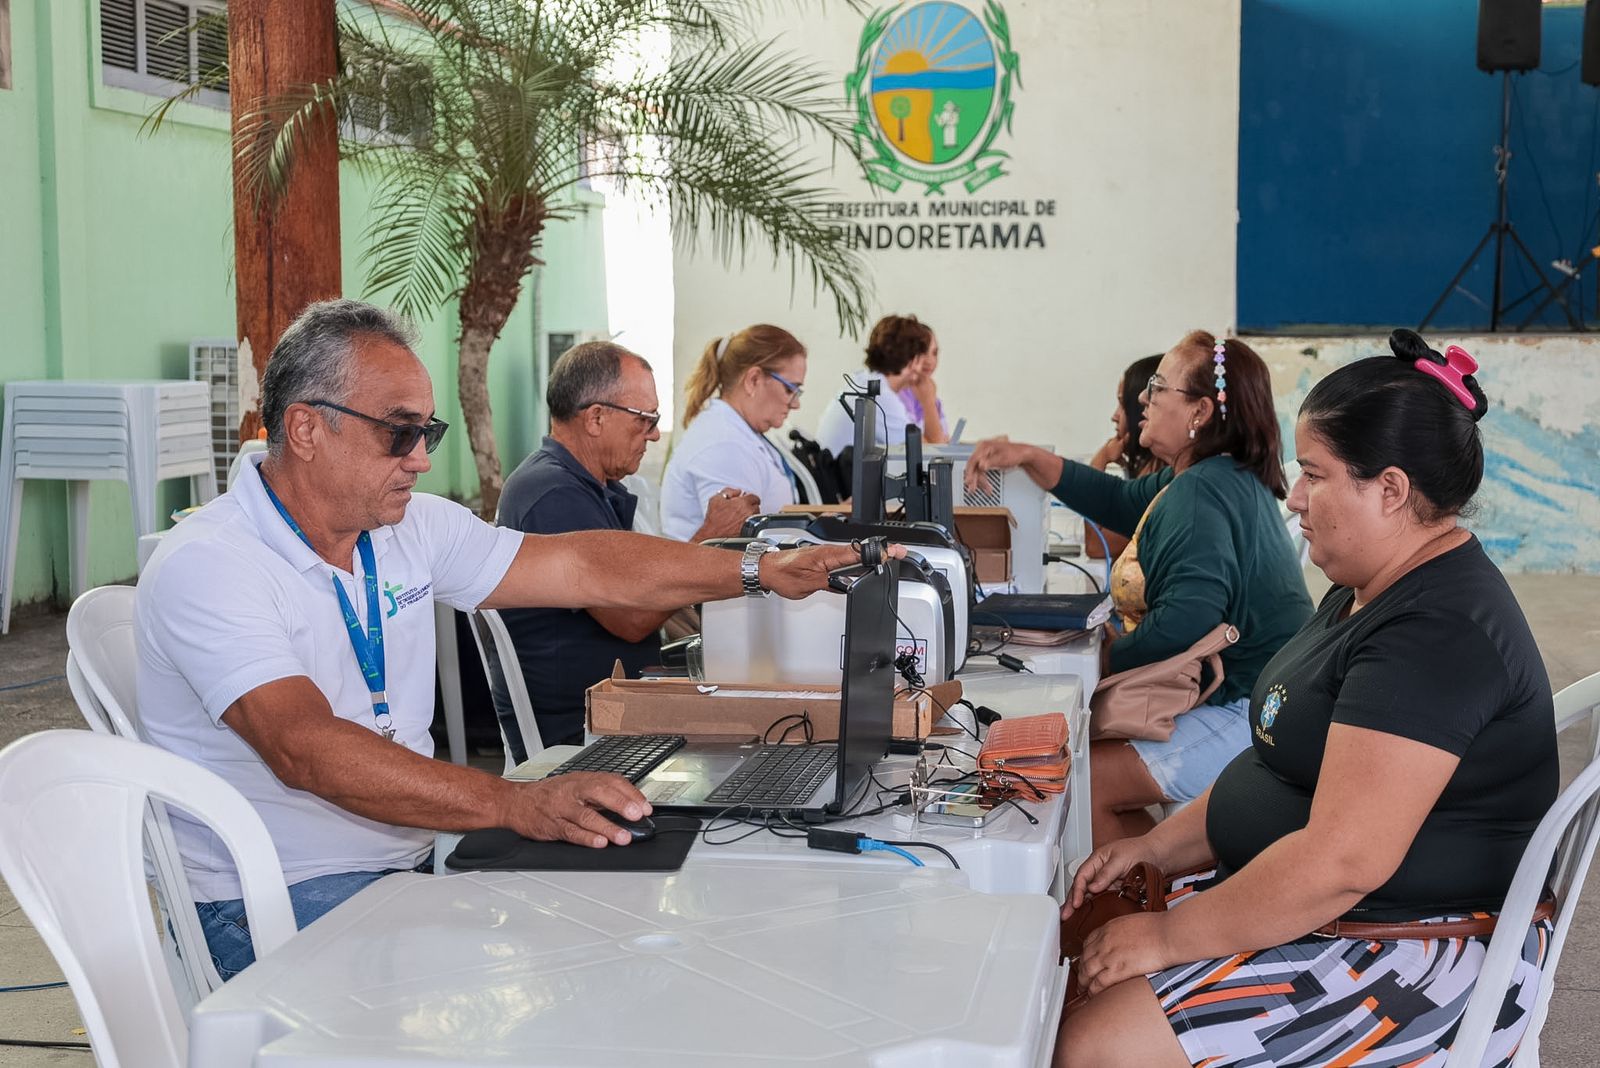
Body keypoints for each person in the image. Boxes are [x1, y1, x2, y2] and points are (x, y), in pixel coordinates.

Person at [135, 300, 874, 978]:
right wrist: (515, 803)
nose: (421, 458)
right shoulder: (212, 563)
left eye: (427, 433)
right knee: (559, 983)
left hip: (410, 858)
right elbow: (305, 748)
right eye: (398, 432)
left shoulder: (408, 527)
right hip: (272, 894)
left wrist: (759, 569)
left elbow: (586, 565)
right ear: (305, 429)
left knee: (639, 941)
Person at [1055, 330, 1557, 1068]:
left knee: (1094, 1043)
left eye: (1315, 475)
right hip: (1343, 912)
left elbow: (1343, 862)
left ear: (1390, 490)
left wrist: (1165, 937)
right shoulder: (1372, 587)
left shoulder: (1436, 632)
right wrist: (1154, 848)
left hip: (1420, 952)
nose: (1293, 497)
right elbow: (1277, 771)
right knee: (1068, 967)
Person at [967, 331, 1312, 846]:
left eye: (1157, 387)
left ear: (1199, 412)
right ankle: (1160, 879)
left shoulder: (1201, 492)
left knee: (1082, 780)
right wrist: (1030, 456)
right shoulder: (1205, 478)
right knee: (1081, 764)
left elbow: (1188, 618)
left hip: (1250, 713)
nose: (1144, 400)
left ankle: (1154, 891)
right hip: (1263, 702)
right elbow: (1118, 499)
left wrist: (1108, 660)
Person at [493, 341, 759, 758]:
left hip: (619, 700)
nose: (653, 434)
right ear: (596, 418)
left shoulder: (586, 485)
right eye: (645, 419)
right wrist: (708, 536)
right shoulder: (552, 492)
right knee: (765, 735)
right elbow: (633, 619)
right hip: (584, 724)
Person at [660, 325, 807, 541]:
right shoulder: (724, 445)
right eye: (790, 389)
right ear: (753, 380)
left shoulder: (740, 432)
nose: (795, 404)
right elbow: (734, 543)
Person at [815, 313, 932, 457]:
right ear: (914, 361)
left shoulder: (863, 381)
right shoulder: (880, 396)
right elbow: (924, 453)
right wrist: (928, 400)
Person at [1084, 354, 1165, 561]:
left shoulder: (1158, 476)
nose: (1115, 416)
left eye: (1122, 404)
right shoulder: (1149, 466)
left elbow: (1096, 546)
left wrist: (1100, 460)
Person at [894, 319, 949, 444]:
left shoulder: (931, 394)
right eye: (923, 352)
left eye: (934, 353)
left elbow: (944, 441)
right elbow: (935, 445)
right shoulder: (898, 394)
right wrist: (928, 401)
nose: (930, 361)